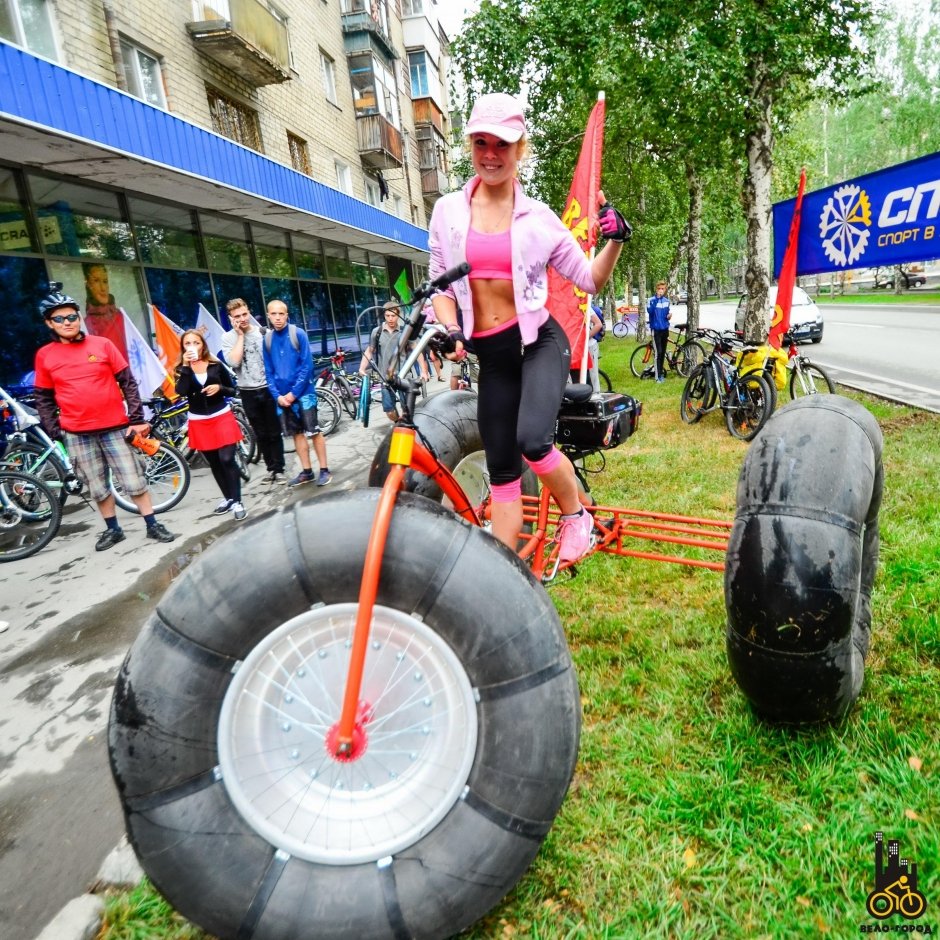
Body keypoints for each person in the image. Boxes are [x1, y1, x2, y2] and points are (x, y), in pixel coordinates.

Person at [428, 92, 630, 561]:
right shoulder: (448, 212)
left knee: (533, 441)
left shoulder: (539, 219)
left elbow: (589, 279)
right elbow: (440, 282)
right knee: (502, 476)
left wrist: (616, 239)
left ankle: (577, 515)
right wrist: (450, 326)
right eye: (481, 143)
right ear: (471, 147)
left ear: (521, 148)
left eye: (503, 144)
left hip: (538, 343)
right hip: (493, 358)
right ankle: (505, 571)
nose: (491, 155)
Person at [32, 288, 177, 551]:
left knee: (134, 479)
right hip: (76, 433)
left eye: (72, 316)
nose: (68, 322)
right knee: (96, 485)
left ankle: (152, 524)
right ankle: (113, 529)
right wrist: (55, 431)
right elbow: (43, 397)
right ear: (49, 323)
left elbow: (128, 382)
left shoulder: (102, 345)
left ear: (79, 318)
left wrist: (135, 418)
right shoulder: (45, 355)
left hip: (116, 428)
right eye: (60, 319)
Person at [174, 330, 246, 520]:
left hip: (221, 415)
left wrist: (219, 388)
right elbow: (180, 391)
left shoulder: (215, 365)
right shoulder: (182, 369)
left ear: (203, 345)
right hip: (199, 420)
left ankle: (238, 501)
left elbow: (232, 389)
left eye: (196, 343)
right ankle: (228, 498)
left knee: (226, 459)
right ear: (183, 347)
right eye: (187, 343)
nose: (192, 346)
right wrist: (185, 366)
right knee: (214, 462)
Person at [262, 299, 332, 488]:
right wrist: (277, 395)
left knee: (313, 431)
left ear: (287, 315)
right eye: (273, 314)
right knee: (297, 434)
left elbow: (306, 366)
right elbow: (268, 371)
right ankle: (307, 471)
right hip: (282, 398)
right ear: (268, 315)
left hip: (304, 395)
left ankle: (324, 469)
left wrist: (293, 394)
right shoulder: (267, 340)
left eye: (281, 313)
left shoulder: (298, 334)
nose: (277, 317)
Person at [221, 298, 286, 485]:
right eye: (237, 316)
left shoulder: (264, 333)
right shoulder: (227, 338)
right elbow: (234, 362)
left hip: (267, 388)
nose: (242, 319)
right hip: (247, 390)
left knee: (274, 431)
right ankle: (270, 468)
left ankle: (279, 468)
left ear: (249, 312)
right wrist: (240, 336)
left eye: (244, 314)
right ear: (231, 318)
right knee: (260, 433)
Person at [358, 301, 407, 422]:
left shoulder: (404, 330)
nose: (390, 319)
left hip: (403, 375)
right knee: (389, 410)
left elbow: (415, 349)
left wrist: (424, 371)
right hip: (385, 377)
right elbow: (370, 351)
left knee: (407, 409)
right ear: (384, 315)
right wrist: (362, 368)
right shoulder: (377, 331)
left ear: (398, 315)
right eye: (387, 316)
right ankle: (398, 423)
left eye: (393, 315)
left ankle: (406, 426)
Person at [82, 262, 129, 360]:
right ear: (88, 285)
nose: (103, 288)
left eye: (105, 281)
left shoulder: (121, 317)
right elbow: (91, 357)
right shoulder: (85, 325)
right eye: (96, 281)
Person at [647, 280, 672, 382]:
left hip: (665, 329)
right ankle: (657, 377)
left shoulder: (667, 301)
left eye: (663, 289)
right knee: (658, 352)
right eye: (659, 289)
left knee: (663, 353)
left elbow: (666, 315)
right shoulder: (651, 300)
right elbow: (650, 312)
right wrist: (657, 299)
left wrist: (668, 316)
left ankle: (661, 373)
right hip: (656, 330)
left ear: (665, 289)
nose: (661, 290)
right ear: (656, 289)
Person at [587, 303, 605, 393]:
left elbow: (598, 324)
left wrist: (585, 338)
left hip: (589, 346)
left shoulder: (584, 305)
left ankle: (596, 396)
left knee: (592, 375)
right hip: (576, 347)